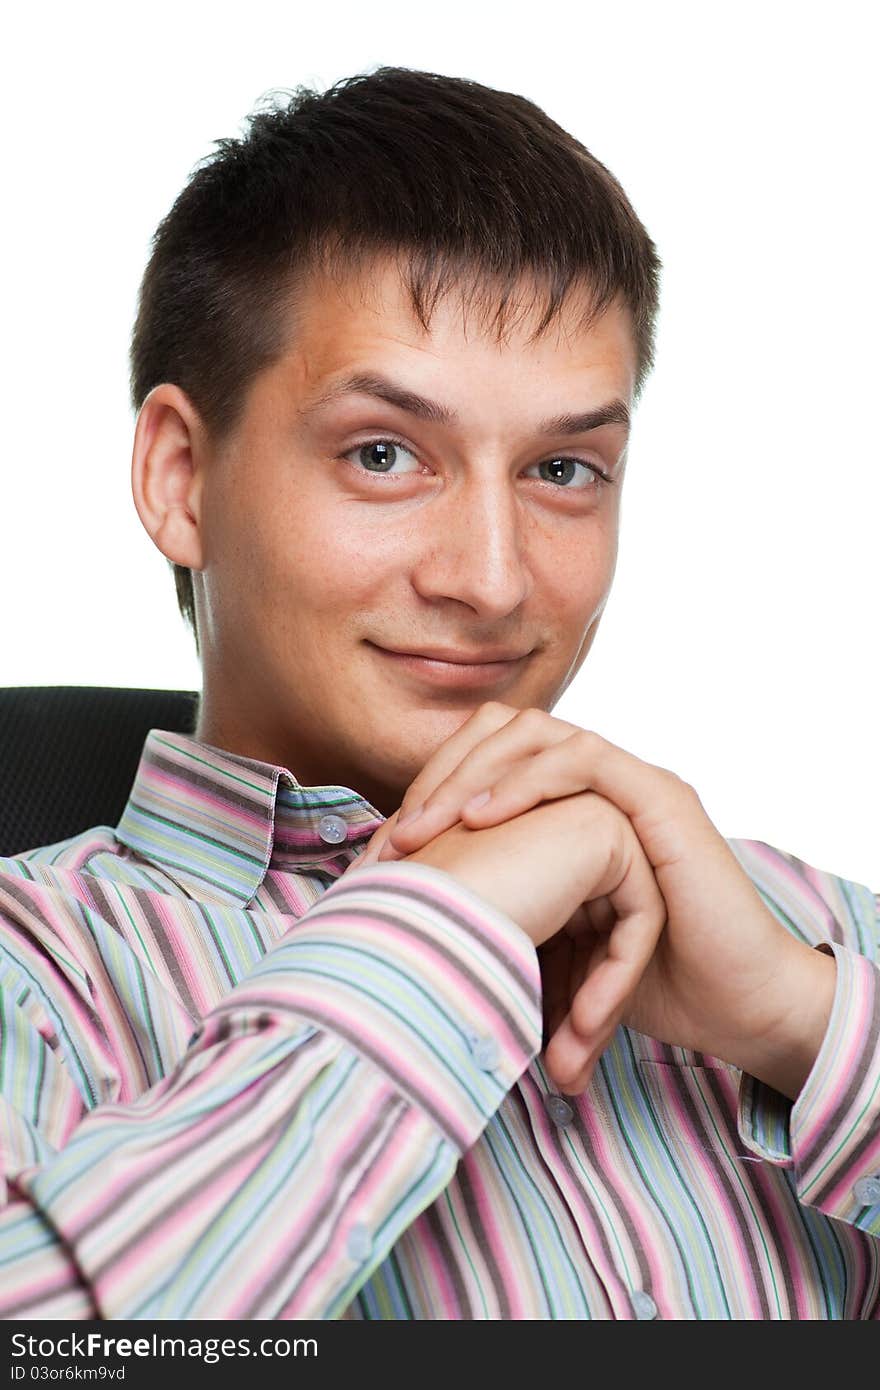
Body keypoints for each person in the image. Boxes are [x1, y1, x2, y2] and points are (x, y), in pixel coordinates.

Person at [0, 66, 877, 1322]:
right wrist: (442, 932)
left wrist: (798, 1018)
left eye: (564, 468)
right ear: (182, 478)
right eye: (382, 453)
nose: (493, 576)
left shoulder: (794, 932)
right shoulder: (40, 973)